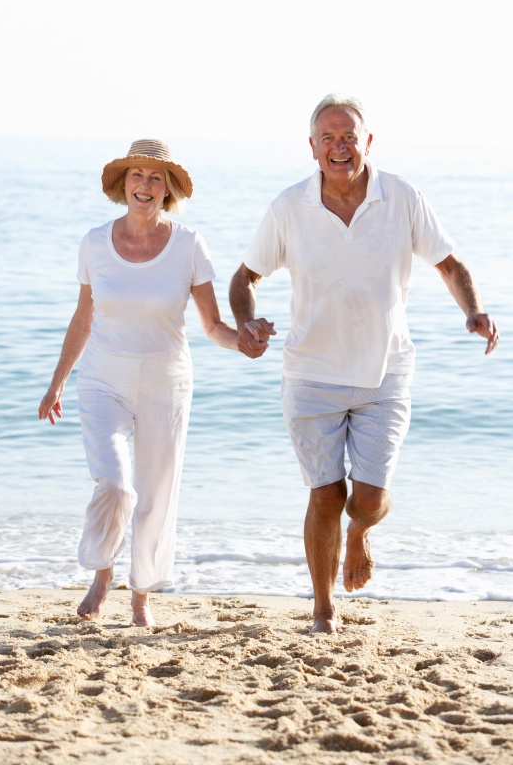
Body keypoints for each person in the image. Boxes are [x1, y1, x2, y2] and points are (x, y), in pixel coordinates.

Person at [229, 94, 499, 636]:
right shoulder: (289, 207)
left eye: (349, 136)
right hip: (311, 374)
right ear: (312, 147)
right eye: (328, 138)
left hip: (385, 372)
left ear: (367, 142)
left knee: (368, 500)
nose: (339, 147)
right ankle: (323, 608)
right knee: (326, 494)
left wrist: (473, 310)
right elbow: (244, 278)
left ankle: (360, 532)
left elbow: (449, 264)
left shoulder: (401, 197)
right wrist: (247, 322)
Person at [39, 139, 241, 626]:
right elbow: (83, 317)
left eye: (155, 177)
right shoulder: (94, 242)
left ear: (168, 189)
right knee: (115, 484)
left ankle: (141, 596)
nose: (145, 185)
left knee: (156, 496)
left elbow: (213, 326)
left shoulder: (189, 245)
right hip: (102, 380)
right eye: (137, 175)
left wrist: (245, 342)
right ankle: (102, 572)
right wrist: (57, 382)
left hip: (166, 384)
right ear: (123, 183)